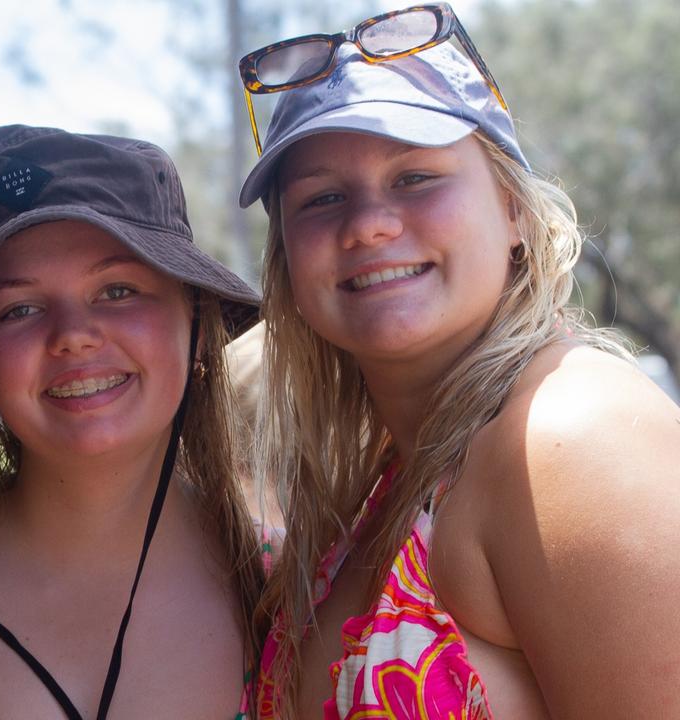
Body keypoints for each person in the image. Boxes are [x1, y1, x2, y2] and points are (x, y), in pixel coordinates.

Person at [236, 5, 680, 719]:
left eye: (415, 177)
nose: (368, 224)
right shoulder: (382, 484)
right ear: (287, 260)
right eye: (322, 198)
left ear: (513, 209)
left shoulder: (573, 439)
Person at [0, 125, 268, 719]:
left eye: (118, 290)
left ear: (197, 324)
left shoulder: (290, 597)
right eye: (18, 309)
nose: (73, 335)